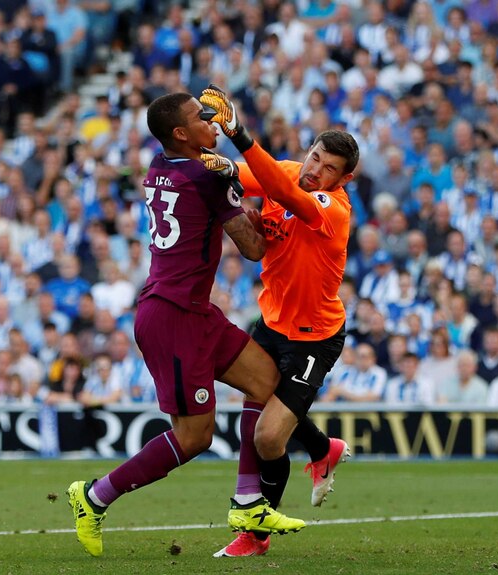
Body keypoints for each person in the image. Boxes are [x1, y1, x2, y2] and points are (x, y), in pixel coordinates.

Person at [65, 92, 304, 558]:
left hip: (192, 310)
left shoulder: (160, 165)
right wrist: (277, 224)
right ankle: (93, 497)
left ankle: (248, 502)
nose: (213, 121)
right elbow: (253, 250)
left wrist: (226, 175)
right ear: (180, 133)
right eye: (203, 118)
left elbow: (202, 177)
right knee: (196, 437)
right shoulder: (208, 177)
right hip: (173, 317)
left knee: (265, 381)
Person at [199, 85, 359, 556]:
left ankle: (256, 534)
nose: (316, 171)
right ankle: (321, 449)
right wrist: (194, 155)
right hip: (271, 323)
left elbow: (281, 189)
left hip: (315, 338)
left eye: (329, 169)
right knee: (251, 400)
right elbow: (238, 174)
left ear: (343, 179)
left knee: (268, 436)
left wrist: (238, 133)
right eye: (314, 158)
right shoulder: (289, 172)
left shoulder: (333, 210)